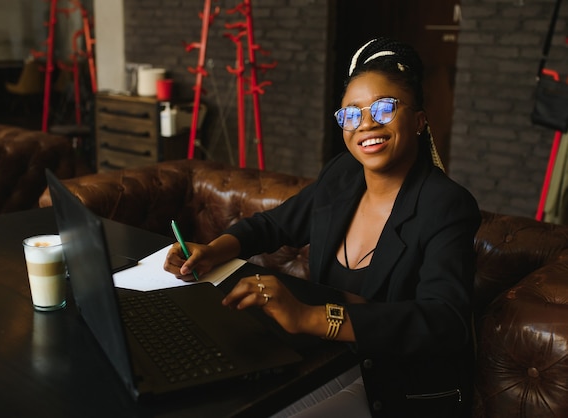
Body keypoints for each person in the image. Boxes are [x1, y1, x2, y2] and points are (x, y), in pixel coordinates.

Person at [164, 37, 481, 418]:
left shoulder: (445, 205)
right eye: (351, 113)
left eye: (383, 108)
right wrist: (213, 250)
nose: (366, 123)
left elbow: (444, 322)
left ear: (418, 120)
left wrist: (310, 318)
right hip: (327, 364)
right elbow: (273, 225)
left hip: (396, 389)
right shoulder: (342, 175)